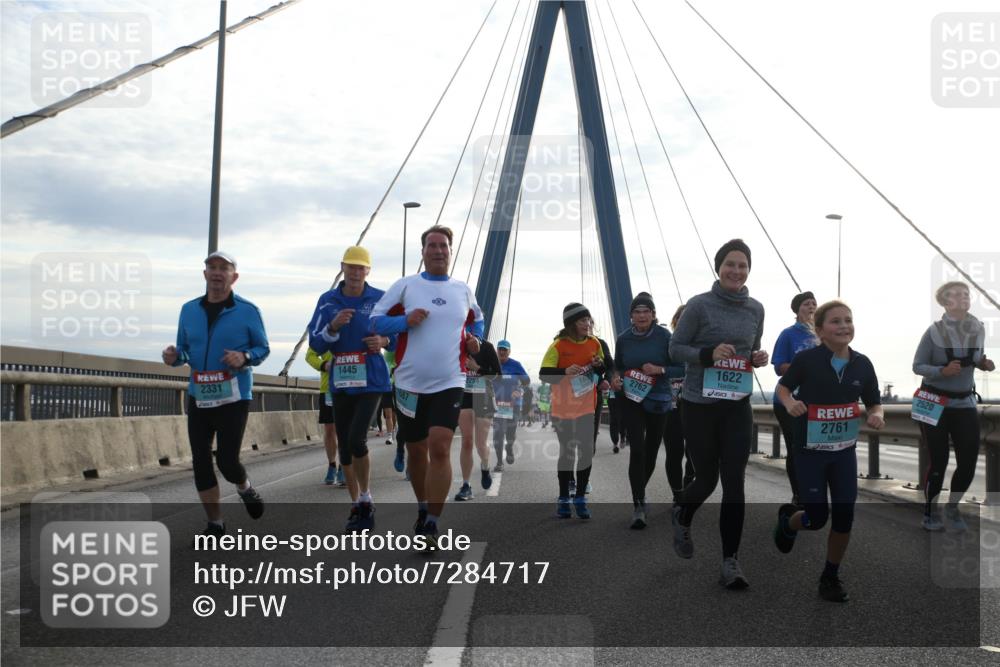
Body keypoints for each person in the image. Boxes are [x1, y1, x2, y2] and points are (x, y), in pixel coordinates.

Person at [371, 225, 484, 547]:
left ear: (451, 251)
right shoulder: (406, 286)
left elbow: (477, 319)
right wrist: (403, 321)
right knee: (416, 451)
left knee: (439, 445)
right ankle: (422, 507)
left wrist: (475, 340)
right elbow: (375, 321)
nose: (438, 251)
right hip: (408, 383)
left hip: (450, 380)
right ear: (423, 252)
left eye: (443, 246)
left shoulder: (462, 289)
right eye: (432, 246)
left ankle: (432, 522)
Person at [668, 239, 768, 589]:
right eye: (730, 264)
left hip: (737, 404)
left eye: (742, 265)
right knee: (707, 479)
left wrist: (757, 357)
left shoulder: (755, 308)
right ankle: (683, 513)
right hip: (698, 405)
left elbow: (750, 348)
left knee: (735, 483)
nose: (736, 271)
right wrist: (708, 354)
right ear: (718, 267)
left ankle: (730, 562)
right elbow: (675, 348)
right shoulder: (699, 306)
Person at [773, 300, 885, 602]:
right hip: (809, 451)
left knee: (845, 514)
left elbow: (874, 400)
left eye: (848, 320)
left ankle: (830, 575)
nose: (844, 326)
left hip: (843, 452)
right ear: (820, 330)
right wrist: (789, 402)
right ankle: (790, 521)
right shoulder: (807, 360)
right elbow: (783, 388)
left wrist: (877, 414)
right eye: (835, 321)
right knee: (816, 517)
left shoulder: (862, 363)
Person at [162, 251, 269, 539]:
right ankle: (216, 524)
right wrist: (174, 356)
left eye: (224, 268)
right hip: (199, 393)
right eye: (212, 267)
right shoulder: (189, 309)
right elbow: (184, 350)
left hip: (233, 396)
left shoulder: (248, 310)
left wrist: (244, 356)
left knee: (226, 460)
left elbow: (263, 349)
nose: (217, 272)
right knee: (200, 460)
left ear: (234, 277)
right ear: (205, 274)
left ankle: (244, 487)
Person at [309, 246, 394, 532]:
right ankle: (356, 505)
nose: (356, 272)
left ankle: (367, 497)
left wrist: (383, 341)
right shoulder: (327, 300)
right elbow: (316, 343)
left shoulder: (380, 299)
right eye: (351, 267)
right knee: (345, 448)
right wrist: (332, 327)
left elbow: (398, 333)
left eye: (361, 268)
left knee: (357, 440)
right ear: (342, 267)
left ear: (368, 271)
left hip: (371, 380)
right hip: (341, 383)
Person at [913, 281, 994, 531]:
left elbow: (975, 356)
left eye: (967, 294)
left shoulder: (978, 327)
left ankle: (953, 507)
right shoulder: (933, 331)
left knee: (968, 461)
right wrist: (942, 370)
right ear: (946, 302)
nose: (964, 297)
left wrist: (982, 363)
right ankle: (930, 513)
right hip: (934, 402)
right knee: (938, 461)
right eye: (957, 294)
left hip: (964, 403)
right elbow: (917, 366)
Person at [611, 292, 676, 529]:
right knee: (637, 449)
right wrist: (616, 379)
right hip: (632, 399)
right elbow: (617, 367)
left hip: (659, 400)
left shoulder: (665, 336)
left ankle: (640, 490)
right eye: (637, 312)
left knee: (650, 451)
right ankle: (638, 504)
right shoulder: (623, 338)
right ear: (630, 316)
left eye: (646, 311)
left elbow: (681, 368)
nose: (641, 315)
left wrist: (659, 370)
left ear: (654, 314)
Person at [539, 303, 606, 519]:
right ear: (570, 324)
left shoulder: (594, 343)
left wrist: (598, 365)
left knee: (586, 452)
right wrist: (564, 370)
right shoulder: (558, 346)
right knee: (567, 453)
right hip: (563, 408)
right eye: (581, 320)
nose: (587, 324)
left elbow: (603, 368)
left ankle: (580, 497)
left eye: (588, 319)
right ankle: (563, 498)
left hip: (587, 406)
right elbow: (544, 374)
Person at [771, 291, 819, 505]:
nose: (811, 307)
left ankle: (813, 491)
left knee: (814, 449)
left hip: (817, 402)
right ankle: (799, 495)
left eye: (814, 304)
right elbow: (779, 367)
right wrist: (804, 368)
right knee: (796, 447)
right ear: (797, 310)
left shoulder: (823, 335)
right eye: (806, 304)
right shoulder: (788, 334)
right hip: (788, 400)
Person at [456, 332, 502, 500]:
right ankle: (466, 485)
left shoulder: (487, 348)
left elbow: (498, 375)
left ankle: (485, 466)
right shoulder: (456, 346)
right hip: (465, 396)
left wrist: (478, 369)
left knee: (480, 443)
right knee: (466, 441)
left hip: (484, 395)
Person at [663, 304, 693, 499]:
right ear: (675, 322)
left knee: (695, 454)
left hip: (697, 406)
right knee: (674, 453)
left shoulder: (704, 345)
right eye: (682, 319)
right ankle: (678, 494)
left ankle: (689, 485)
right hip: (670, 406)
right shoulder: (666, 343)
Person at [305, 346, 345, 486]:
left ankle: (344, 467)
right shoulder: (324, 329)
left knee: (344, 430)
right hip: (328, 388)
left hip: (350, 386)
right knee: (330, 429)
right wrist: (323, 364)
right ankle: (332, 465)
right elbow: (310, 355)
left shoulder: (354, 327)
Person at [492, 340, 529, 471]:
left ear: (509, 351)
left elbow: (526, 381)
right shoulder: (491, 363)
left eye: (505, 350)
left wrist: (519, 390)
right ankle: (499, 463)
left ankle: (509, 447)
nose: (502, 352)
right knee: (498, 433)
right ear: (496, 350)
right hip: (497, 405)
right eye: (500, 349)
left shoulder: (515, 365)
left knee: (510, 433)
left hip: (513, 404)